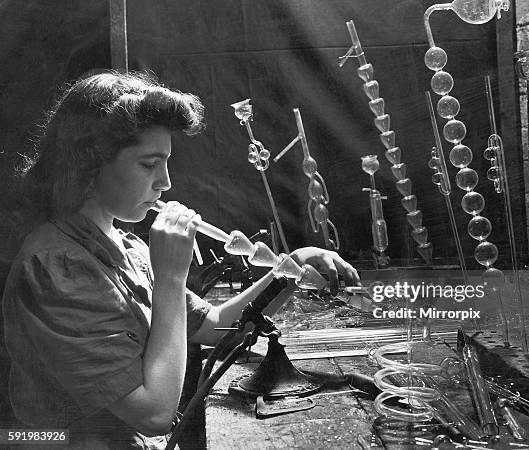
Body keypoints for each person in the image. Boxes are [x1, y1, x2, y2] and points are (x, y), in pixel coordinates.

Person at [2, 71, 360, 449]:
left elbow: (217, 327)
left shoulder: (127, 248)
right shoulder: (55, 267)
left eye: (166, 163)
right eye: (148, 164)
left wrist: (289, 269)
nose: (165, 182)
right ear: (88, 163)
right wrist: (171, 280)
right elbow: (154, 414)